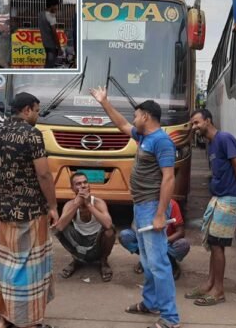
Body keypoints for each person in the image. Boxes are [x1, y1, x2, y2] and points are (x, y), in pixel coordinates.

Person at [90, 87, 181, 328]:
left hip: (152, 208)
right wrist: (104, 102)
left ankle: (170, 318)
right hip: (141, 207)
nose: (133, 119)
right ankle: (150, 303)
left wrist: (161, 214)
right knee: (149, 261)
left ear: (146, 117)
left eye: (136, 115)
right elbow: (121, 125)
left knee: (159, 263)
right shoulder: (144, 137)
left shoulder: (161, 141)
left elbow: (169, 178)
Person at [0, 92, 59, 328]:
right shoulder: (32, 135)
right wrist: (54, 205)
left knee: (8, 266)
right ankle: (28, 321)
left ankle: (5, 319)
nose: (37, 115)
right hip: (32, 212)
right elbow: (44, 174)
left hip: (6, 212)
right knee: (30, 269)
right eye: (36, 110)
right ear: (26, 110)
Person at [185, 109, 236, 307]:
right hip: (219, 197)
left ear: (208, 121)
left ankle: (218, 290)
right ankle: (209, 284)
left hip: (230, 198)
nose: (194, 127)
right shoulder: (211, 144)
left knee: (218, 244)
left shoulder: (224, 138)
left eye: (196, 123)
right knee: (213, 243)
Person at [55, 172, 115, 282]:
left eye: (85, 182)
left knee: (110, 231)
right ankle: (77, 259)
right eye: (78, 184)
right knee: (61, 228)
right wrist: (76, 204)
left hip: (97, 241)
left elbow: (108, 224)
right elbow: (59, 227)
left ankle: (103, 261)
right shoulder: (70, 204)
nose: (83, 186)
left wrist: (89, 205)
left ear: (89, 186)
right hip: (79, 241)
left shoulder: (98, 202)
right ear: (72, 188)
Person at [119, 199, 189, 280]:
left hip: (166, 242)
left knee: (183, 245)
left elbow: (181, 232)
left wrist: (162, 241)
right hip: (146, 241)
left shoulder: (171, 204)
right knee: (125, 236)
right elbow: (135, 227)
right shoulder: (142, 202)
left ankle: (171, 261)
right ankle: (145, 259)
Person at [38, 0, 62, 68]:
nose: (57, 8)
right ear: (51, 6)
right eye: (56, 6)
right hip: (51, 45)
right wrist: (59, 48)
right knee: (50, 65)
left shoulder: (41, 14)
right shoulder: (51, 17)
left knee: (48, 63)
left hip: (45, 43)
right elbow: (54, 34)